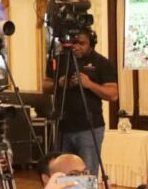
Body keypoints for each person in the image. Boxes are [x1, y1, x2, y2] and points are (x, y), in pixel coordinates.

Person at [50, 24, 119, 176]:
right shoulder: (60, 59)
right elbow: (45, 85)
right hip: (63, 127)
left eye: (82, 43)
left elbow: (113, 94)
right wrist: (60, 83)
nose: (77, 47)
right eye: (74, 43)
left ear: (91, 43)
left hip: (89, 128)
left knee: (86, 175)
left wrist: (89, 84)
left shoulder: (102, 62)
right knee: (62, 174)